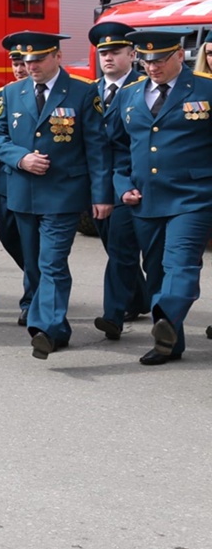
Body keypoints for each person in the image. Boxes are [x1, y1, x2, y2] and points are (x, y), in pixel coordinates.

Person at [0, 31, 111, 360]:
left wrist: (102, 195)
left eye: (39, 59)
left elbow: (97, 149)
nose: (32, 66)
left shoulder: (84, 92)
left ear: (57, 56)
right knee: (34, 265)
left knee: (52, 262)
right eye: (27, 61)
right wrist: (20, 157)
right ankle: (59, 328)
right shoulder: (12, 93)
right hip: (24, 192)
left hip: (63, 193)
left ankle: (45, 328)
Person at [108, 29, 212, 364]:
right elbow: (119, 148)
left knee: (180, 263)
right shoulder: (130, 94)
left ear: (180, 56)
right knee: (155, 272)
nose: (152, 66)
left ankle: (165, 317)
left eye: (161, 59)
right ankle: (170, 341)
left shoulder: (205, 88)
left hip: (193, 196)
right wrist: (123, 185)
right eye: (146, 59)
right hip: (145, 199)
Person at [88, 22, 151, 337]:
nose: (108, 58)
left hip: (129, 181)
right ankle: (139, 299)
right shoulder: (89, 90)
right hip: (98, 184)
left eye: (115, 52)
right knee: (116, 250)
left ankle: (113, 315)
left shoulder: (144, 87)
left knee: (122, 247)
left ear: (132, 54)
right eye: (103, 52)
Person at [0, 44, 33, 325]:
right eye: (15, 64)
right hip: (8, 182)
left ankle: (33, 298)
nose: (20, 69)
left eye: (24, 63)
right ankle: (41, 279)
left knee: (36, 246)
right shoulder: (4, 96)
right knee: (8, 236)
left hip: (40, 184)